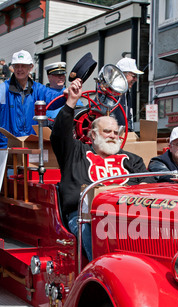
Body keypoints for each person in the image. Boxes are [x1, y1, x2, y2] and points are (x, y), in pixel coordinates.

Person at [50, 78, 155, 262]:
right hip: (85, 217)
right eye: (107, 131)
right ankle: (102, 272)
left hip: (126, 216)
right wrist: (71, 102)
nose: (113, 136)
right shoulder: (75, 152)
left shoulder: (133, 160)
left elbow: (148, 182)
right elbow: (59, 134)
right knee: (94, 230)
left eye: (116, 132)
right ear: (93, 134)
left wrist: (145, 188)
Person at [0, 50, 64, 149]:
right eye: (17, 66)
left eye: (23, 66)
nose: (19, 69)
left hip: (32, 145)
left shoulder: (39, 90)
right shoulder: (3, 89)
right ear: (13, 67)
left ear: (31, 67)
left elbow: (53, 100)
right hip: (7, 147)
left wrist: (67, 94)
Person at [113, 57, 144, 132]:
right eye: (133, 76)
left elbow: (129, 116)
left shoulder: (126, 93)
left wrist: (129, 131)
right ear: (122, 75)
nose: (136, 79)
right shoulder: (111, 92)